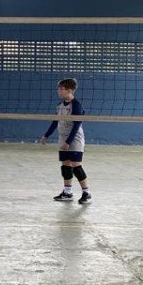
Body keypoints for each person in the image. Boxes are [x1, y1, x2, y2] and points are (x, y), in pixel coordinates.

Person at [39, 77, 91, 205]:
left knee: (76, 166)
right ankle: (67, 192)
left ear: (70, 90)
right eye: (59, 89)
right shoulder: (59, 106)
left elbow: (77, 125)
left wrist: (68, 142)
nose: (59, 91)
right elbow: (55, 122)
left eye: (61, 89)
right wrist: (46, 135)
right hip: (63, 139)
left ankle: (87, 193)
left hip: (75, 140)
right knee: (65, 166)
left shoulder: (76, 105)